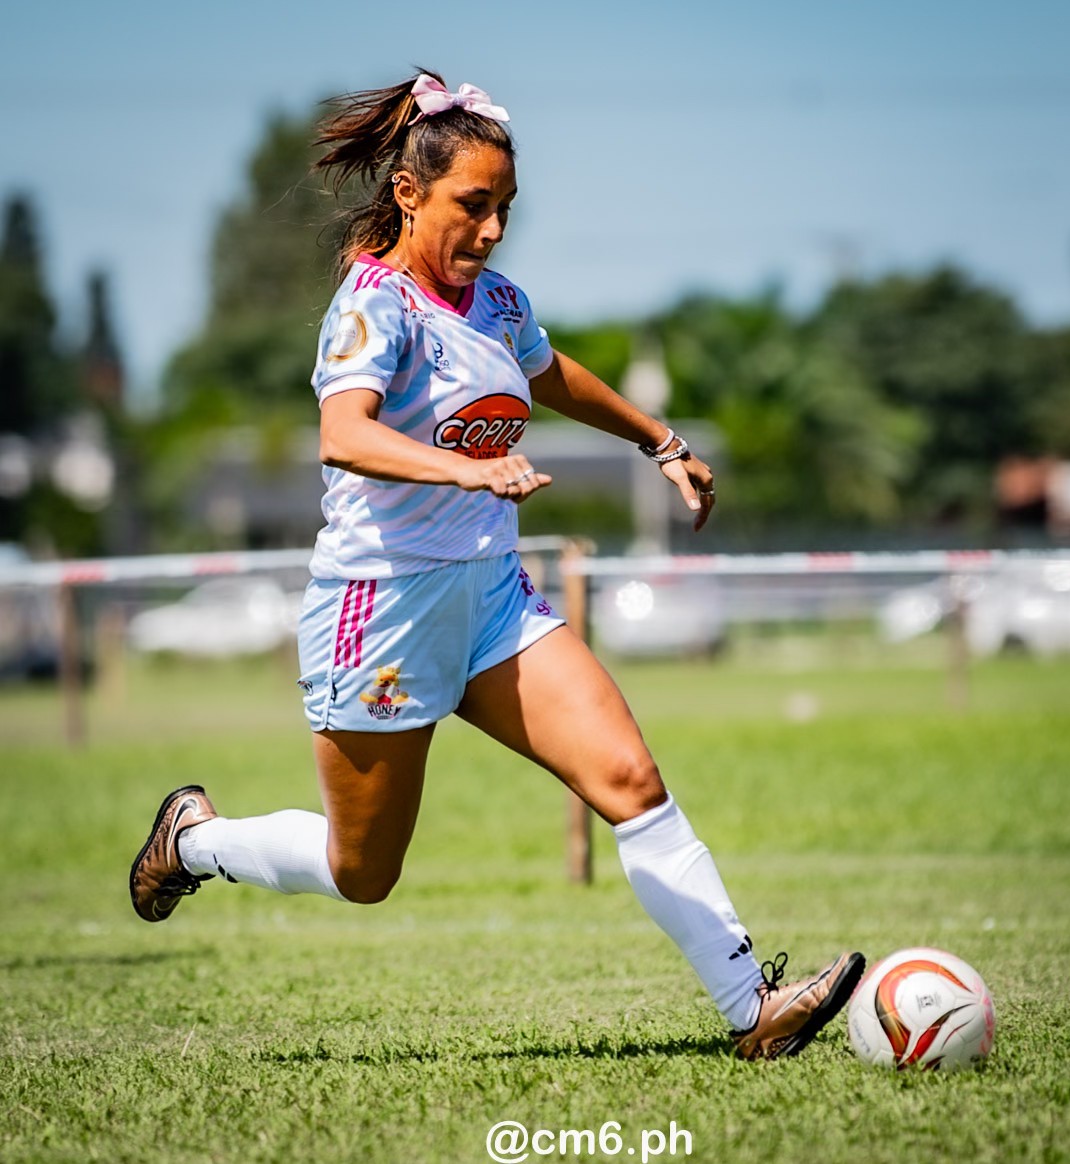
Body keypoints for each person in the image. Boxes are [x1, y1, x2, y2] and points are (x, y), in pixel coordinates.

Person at [129, 70, 863, 1061]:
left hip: (491, 603)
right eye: (475, 205)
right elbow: (342, 437)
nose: (493, 229)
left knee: (630, 779)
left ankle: (753, 1010)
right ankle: (194, 841)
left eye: (506, 209)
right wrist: (463, 471)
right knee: (364, 872)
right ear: (410, 194)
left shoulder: (497, 302)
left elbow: (549, 372)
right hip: (380, 610)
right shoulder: (371, 307)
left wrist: (660, 440)